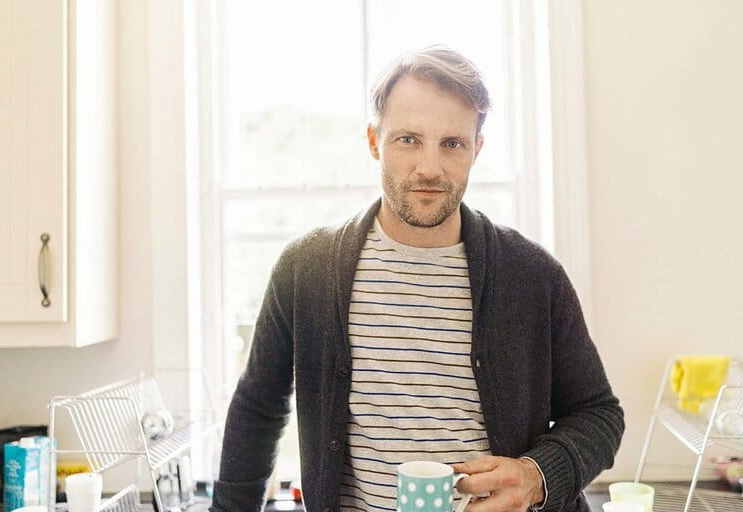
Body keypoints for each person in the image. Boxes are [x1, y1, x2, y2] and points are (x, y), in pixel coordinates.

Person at [210, 45, 624, 512]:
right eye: (408, 139)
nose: (430, 168)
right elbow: (258, 408)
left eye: (452, 144)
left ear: (476, 149)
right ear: (374, 141)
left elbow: (600, 415)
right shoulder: (306, 269)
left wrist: (537, 475)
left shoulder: (533, 275)